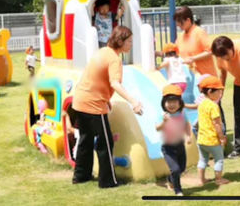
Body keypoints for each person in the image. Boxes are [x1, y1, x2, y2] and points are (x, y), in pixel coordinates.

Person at [72, 26, 143, 188]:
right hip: (93, 105)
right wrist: (133, 101)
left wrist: (106, 97)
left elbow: (96, 78)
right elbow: (114, 83)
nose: (131, 44)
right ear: (120, 41)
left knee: (85, 140)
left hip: (80, 100)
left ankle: (80, 176)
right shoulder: (114, 59)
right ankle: (107, 181)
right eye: (129, 41)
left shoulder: (102, 51)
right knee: (105, 142)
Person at [156, 84, 192, 196]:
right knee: (175, 169)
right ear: (163, 103)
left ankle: (170, 179)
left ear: (180, 102)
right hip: (168, 147)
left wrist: (188, 135)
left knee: (181, 168)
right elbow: (157, 128)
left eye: (174, 102)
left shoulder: (182, 113)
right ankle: (178, 190)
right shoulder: (164, 115)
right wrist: (164, 122)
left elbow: (186, 124)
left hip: (180, 145)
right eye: (168, 102)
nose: (171, 105)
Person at [196, 76, 229, 186]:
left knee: (202, 160)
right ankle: (218, 179)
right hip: (212, 140)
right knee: (219, 159)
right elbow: (217, 124)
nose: (220, 94)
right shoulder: (213, 106)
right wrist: (221, 137)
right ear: (210, 91)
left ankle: (201, 180)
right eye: (218, 92)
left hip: (201, 139)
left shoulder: (201, 104)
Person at [174, 6, 217, 76]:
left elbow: (210, 51)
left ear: (188, 20)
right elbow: (175, 53)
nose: (178, 24)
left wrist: (193, 58)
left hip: (206, 78)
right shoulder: (180, 36)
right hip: (190, 79)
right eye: (177, 22)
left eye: (180, 22)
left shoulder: (199, 32)